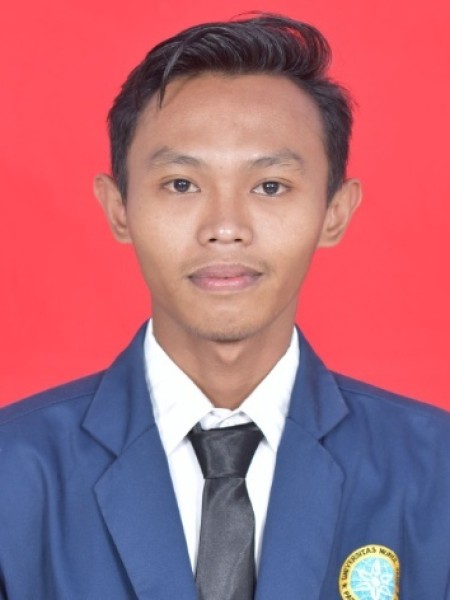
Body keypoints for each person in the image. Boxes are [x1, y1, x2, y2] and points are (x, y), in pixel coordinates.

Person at [0, 13, 449, 600]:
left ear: (334, 212)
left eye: (270, 186)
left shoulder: (437, 471)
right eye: (181, 184)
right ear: (119, 208)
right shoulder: (12, 472)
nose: (225, 227)